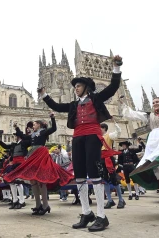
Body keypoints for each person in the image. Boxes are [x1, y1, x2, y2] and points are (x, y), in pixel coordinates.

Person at [38, 55, 123, 231]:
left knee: (95, 174)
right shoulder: (73, 105)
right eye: (75, 86)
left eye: (78, 85)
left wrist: (116, 67)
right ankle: (86, 212)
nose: (75, 88)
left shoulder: (97, 99)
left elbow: (113, 87)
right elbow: (55, 106)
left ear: (86, 87)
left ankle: (101, 215)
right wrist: (44, 95)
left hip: (92, 136)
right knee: (79, 176)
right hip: (77, 138)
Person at [4, 112, 73, 215]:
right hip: (33, 155)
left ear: (39, 125)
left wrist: (53, 118)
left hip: (40, 155)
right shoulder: (32, 135)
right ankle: (38, 205)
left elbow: (53, 129)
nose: (33, 126)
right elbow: (22, 136)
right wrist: (16, 128)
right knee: (33, 181)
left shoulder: (43, 132)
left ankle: (45, 205)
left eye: (35, 124)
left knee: (41, 181)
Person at [0, 123, 31, 209]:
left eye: (16, 136)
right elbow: (6, 146)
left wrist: (21, 130)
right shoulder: (14, 145)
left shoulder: (24, 143)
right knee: (11, 182)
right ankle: (15, 200)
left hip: (20, 163)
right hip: (14, 163)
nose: (15, 137)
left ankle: (22, 200)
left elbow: (29, 140)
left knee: (18, 182)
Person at [100, 120, 125, 209]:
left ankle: (121, 200)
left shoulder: (109, 136)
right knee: (105, 180)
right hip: (101, 159)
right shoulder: (97, 138)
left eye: (100, 128)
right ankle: (110, 200)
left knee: (114, 179)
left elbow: (118, 133)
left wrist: (115, 122)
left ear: (104, 129)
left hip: (109, 159)